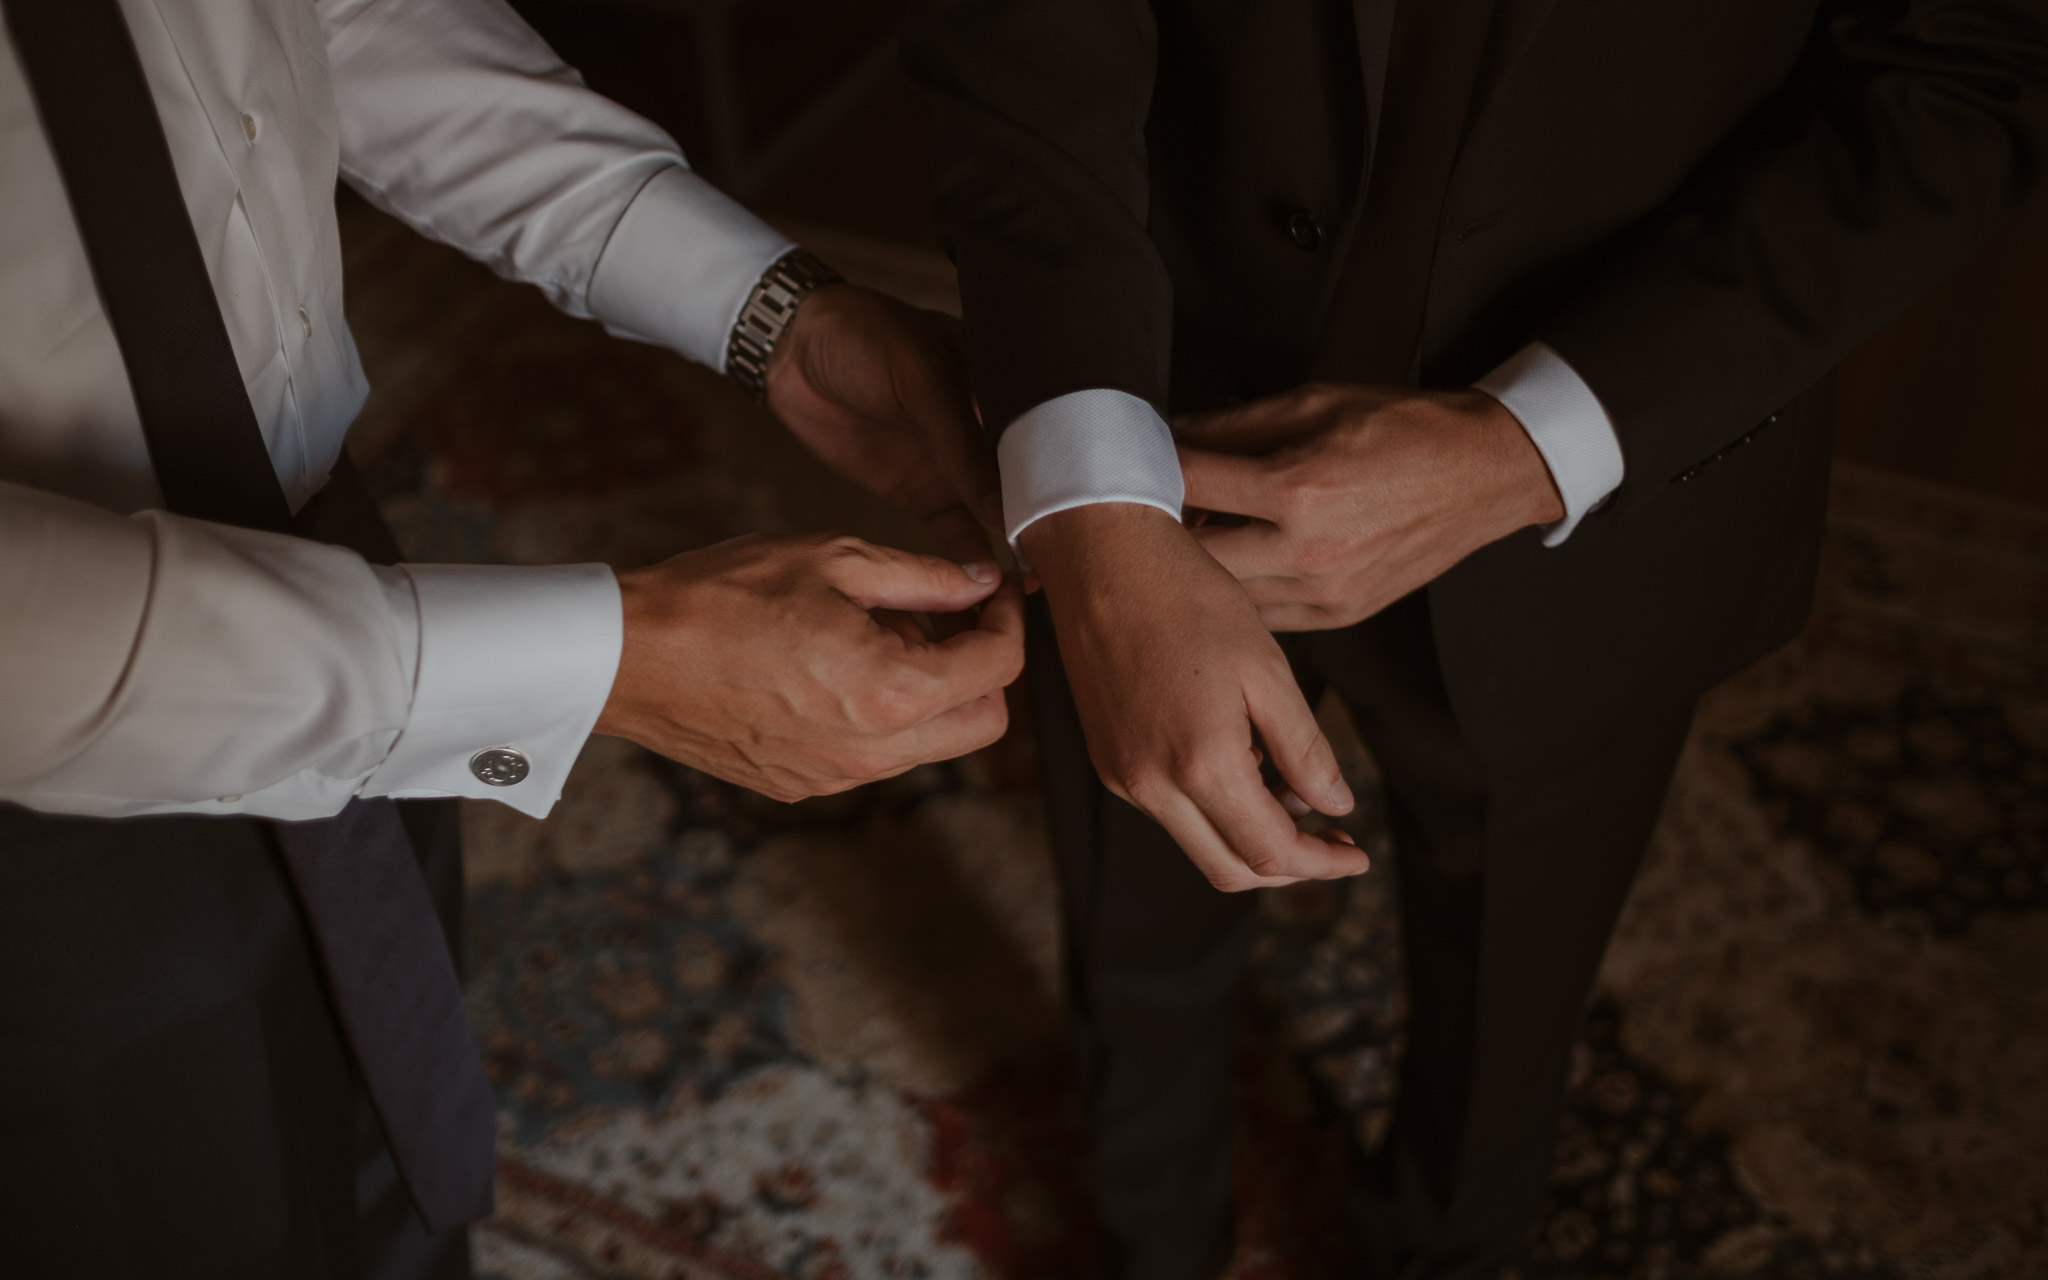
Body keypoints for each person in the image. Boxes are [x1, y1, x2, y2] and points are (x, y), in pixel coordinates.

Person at [904, 0, 2048, 1276]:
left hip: (1607, 492)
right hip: (1148, 412)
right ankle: (1148, 1233)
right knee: (1130, 918)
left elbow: (1966, 72)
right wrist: (1100, 517)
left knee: (1510, 1006)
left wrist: (1533, 448)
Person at [0, 0, 1018, 1274]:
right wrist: (605, 660)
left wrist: (772, 316)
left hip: (333, 545)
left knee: (390, 1127)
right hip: (35, 801)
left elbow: (336, 20)